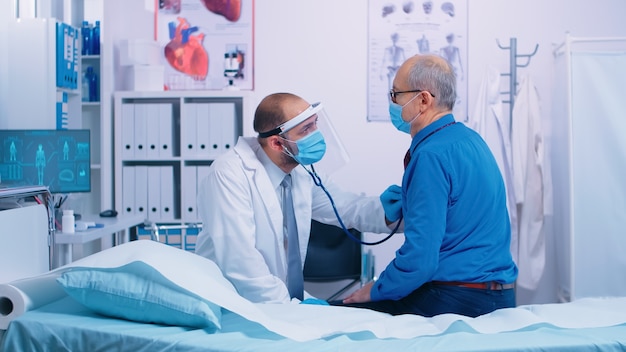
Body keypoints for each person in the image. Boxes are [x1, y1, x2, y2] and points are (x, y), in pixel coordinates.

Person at [334, 54, 518, 317]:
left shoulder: (431, 155)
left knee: (343, 313)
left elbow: (420, 260)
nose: (392, 102)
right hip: (495, 295)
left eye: (395, 94)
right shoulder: (470, 140)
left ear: (423, 100)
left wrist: (375, 290)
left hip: (458, 299)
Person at [195, 92, 394, 304]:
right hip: (233, 302)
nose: (316, 135)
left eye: (315, 124)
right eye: (306, 129)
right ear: (277, 144)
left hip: (276, 303)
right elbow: (241, 262)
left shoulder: (301, 173)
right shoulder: (229, 174)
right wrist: (292, 308)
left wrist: (393, 212)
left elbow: (345, 207)